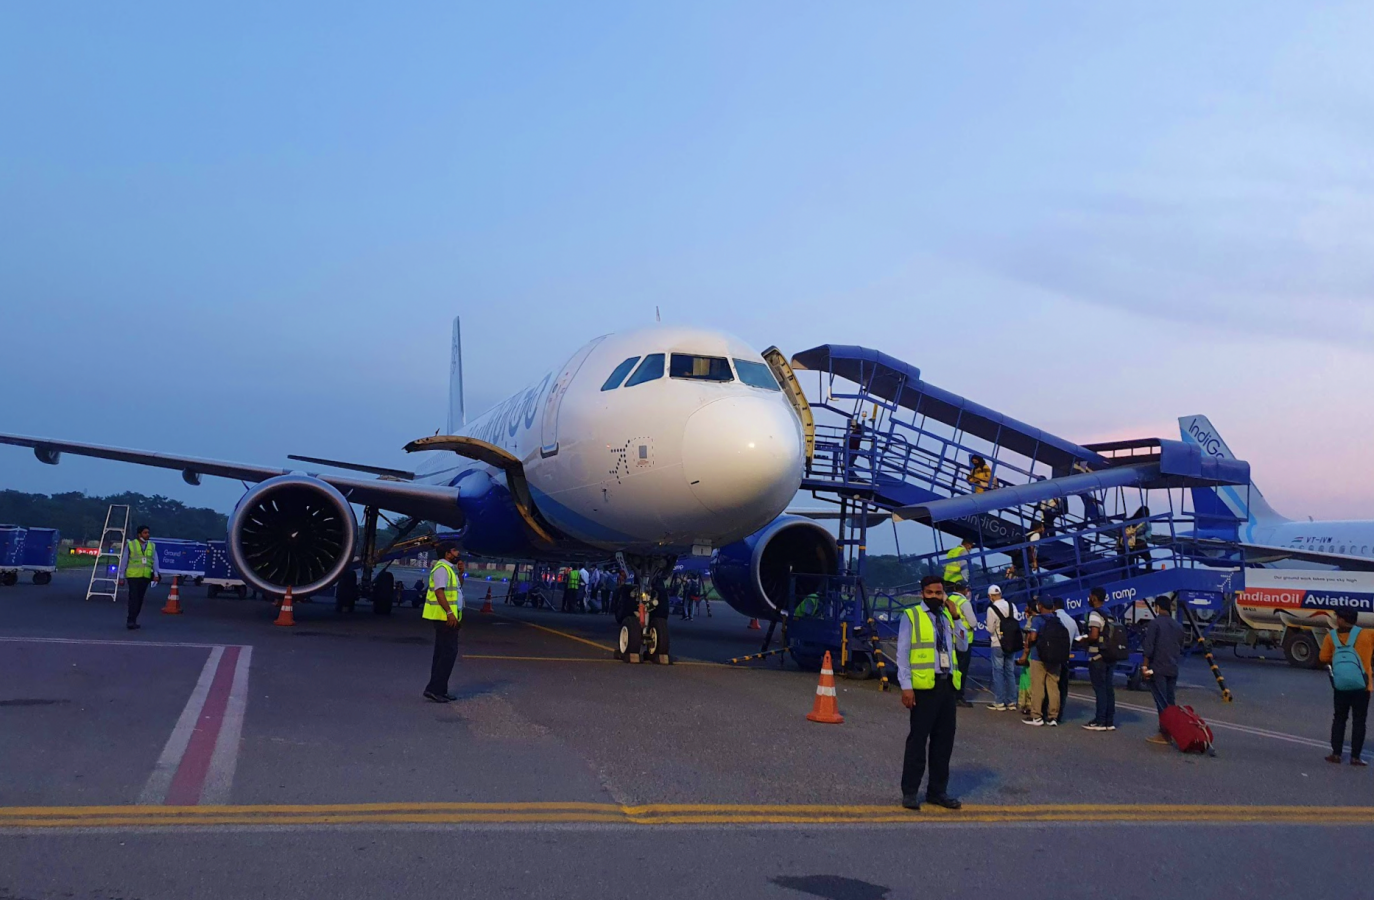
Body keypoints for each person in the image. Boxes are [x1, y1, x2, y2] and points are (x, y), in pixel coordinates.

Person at [897, 575, 966, 811]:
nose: (935, 597)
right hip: (924, 687)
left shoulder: (947, 617)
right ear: (922, 594)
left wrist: (956, 616)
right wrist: (906, 686)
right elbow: (903, 653)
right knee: (918, 740)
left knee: (944, 741)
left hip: (947, 686)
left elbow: (963, 645)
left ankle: (937, 791)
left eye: (939, 593)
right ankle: (910, 792)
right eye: (930, 593)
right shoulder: (912, 616)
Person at [1320, 608, 1372, 766]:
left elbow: (1323, 657)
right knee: (1359, 721)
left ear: (1342, 620)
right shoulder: (1367, 635)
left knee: (1340, 718)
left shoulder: (1331, 637)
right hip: (1362, 686)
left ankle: (1336, 754)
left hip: (1341, 686)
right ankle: (1355, 757)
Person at [422, 542, 463, 703]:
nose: (457, 553)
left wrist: (461, 573)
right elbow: (439, 592)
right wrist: (449, 613)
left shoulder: (449, 569)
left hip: (448, 617)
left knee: (442, 653)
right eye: (454, 550)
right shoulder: (441, 569)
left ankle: (440, 689)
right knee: (448, 654)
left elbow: (458, 590)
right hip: (444, 618)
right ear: (447, 554)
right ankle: (434, 689)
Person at [1141, 596, 1186, 743]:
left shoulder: (1155, 624)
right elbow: (1181, 647)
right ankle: (1173, 731)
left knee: (1161, 702)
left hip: (1158, 668)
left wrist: (1145, 666)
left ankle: (1164, 734)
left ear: (1158, 607)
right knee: (1170, 702)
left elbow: (1149, 647)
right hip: (1173, 668)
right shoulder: (1178, 626)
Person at [1019, 597, 1065, 726]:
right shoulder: (1057, 620)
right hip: (1055, 658)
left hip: (1038, 657)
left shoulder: (1037, 620)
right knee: (1053, 687)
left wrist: (1028, 643)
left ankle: (1037, 716)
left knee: (1038, 687)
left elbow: (1033, 637)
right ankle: (1053, 717)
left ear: (1040, 606)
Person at [1081, 587, 1116, 731]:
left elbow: (1094, 635)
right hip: (1109, 655)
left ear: (1094, 598)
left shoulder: (1095, 614)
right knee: (1108, 688)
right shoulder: (1109, 613)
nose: (1089, 598)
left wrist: (1084, 640)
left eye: (1090, 596)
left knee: (1099, 688)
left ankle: (1100, 720)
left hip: (1097, 656)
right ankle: (1109, 720)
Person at [984, 585, 1020, 711]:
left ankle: (999, 702)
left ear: (990, 596)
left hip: (997, 643)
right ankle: (1012, 701)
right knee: (1010, 671)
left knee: (998, 672)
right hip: (1012, 643)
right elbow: (1016, 622)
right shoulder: (1012, 606)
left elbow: (990, 629)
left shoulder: (991, 609)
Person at [118, 525, 161, 630]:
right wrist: (121, 576)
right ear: (139, 534)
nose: (147, 535)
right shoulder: (131, 545)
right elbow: (124, 560)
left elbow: (155, 561)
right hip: (133, 576)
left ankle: (134, 619)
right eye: (145, 533)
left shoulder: (151, 546)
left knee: (140, 599)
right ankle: (130, 620)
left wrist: (156, 574)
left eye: (148, 533)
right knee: (134, 599)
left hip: (145, 576)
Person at [946, 582, 977, 708]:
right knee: (961, 670)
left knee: (951, 668)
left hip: (949, 638)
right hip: (964, 640)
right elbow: (973, 622)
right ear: (965, 590)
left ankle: (949, 694)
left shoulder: (949, 600)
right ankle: (958, 696)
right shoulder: (964, 602)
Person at [1051, 598, 1080, 720]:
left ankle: (1050, 711)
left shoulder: (1052, 619)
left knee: (1051, 686)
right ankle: (1060, 713)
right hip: (1065, 658)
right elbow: (1078, 639)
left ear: (1054, 606)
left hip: (1051, 657)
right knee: (1062, 687)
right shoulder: (1072, 621)